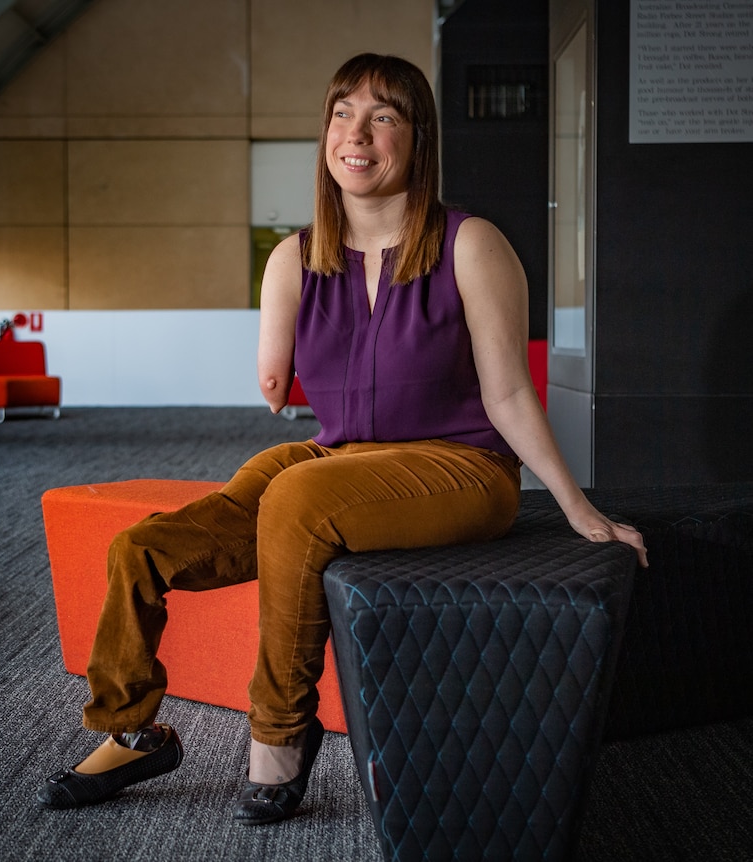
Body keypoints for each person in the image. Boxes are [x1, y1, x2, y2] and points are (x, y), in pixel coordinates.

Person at [37, 53, 648, 824]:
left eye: (384, 116)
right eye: (342, 114)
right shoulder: (294, 258)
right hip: (343, 461)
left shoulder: (470, 244)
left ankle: (280, 731)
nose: (357, 134)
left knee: (295, 488)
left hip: (457, 466)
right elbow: (273, 389)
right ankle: (130, 728)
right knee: (143, 546)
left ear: (417, 139)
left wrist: (576, 507)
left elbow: (508, 393)